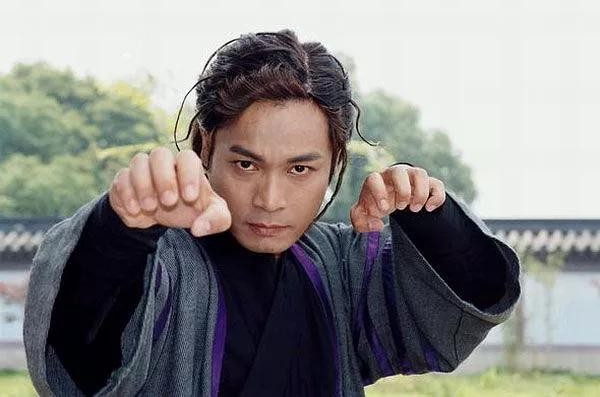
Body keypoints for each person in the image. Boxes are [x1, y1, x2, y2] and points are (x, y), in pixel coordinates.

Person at [24, 29, 521, 396]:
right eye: (246, 164)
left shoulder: (340, 266)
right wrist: (118, 232)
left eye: (300, 169)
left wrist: (430, 215)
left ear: (335, 164)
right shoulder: (160, 260)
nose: (270, 198)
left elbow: (468, 297)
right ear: (205, 147)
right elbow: (79, 359)